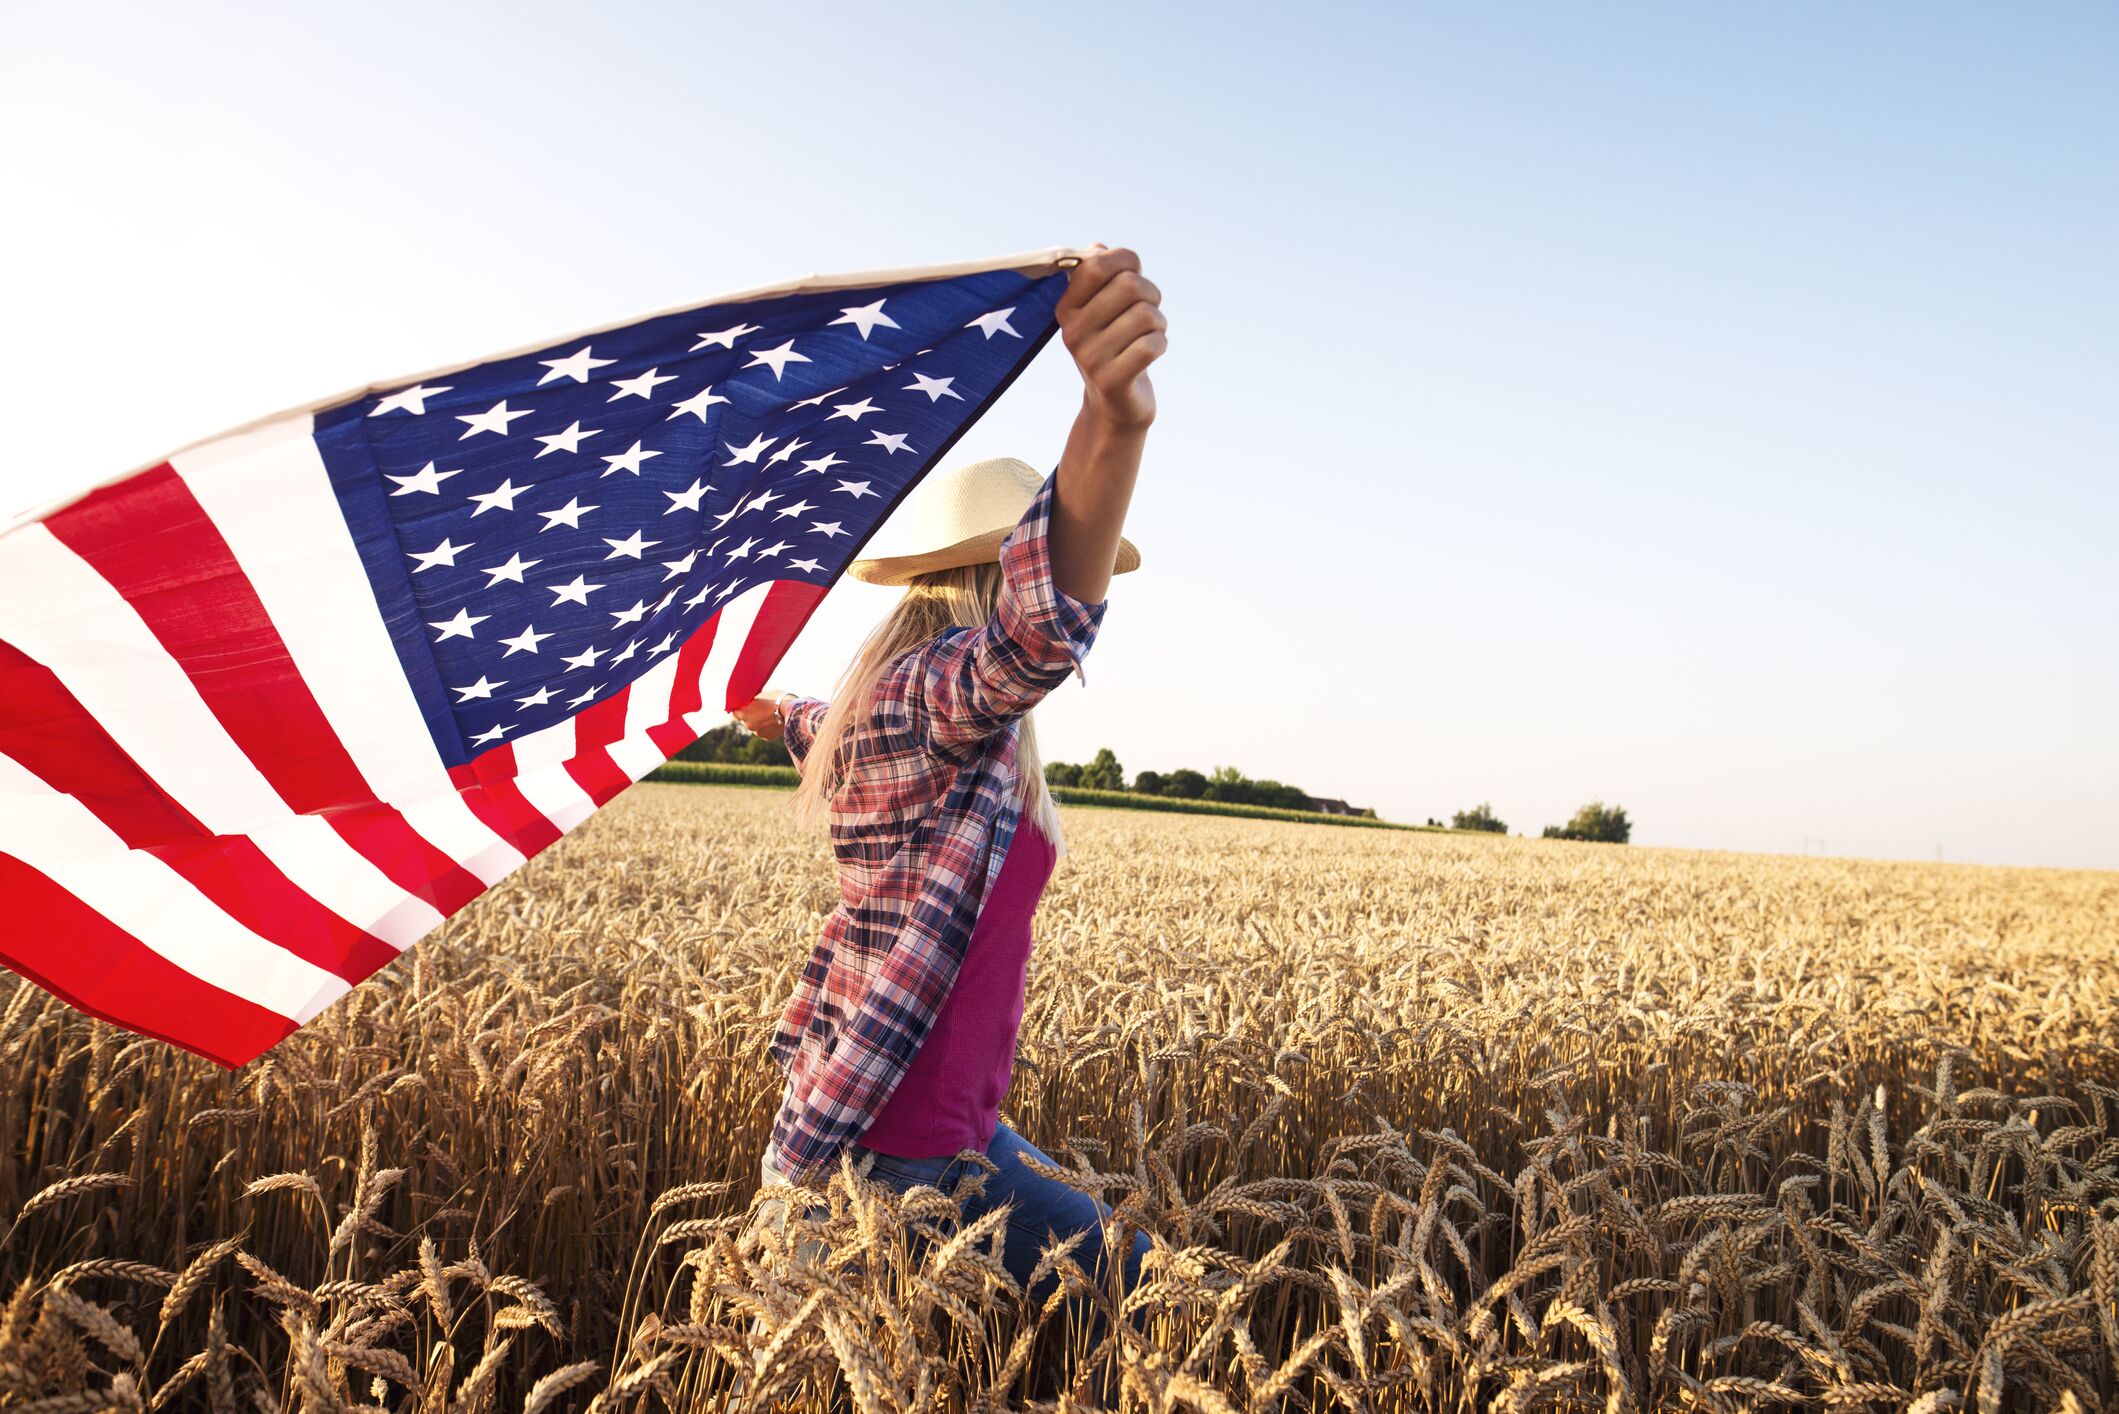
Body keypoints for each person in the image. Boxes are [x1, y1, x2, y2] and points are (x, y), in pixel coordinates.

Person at [729, 244, 1166, 1313]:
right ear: (995, 574)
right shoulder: (927, 696)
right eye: (1069, 561)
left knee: (1145, 1289)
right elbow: (1033, 639)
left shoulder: (901, 715)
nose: (1083, 585)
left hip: (965, 1142)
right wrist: (1116, 423)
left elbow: (810, 722)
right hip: (878, 1155)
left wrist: (758, 707)